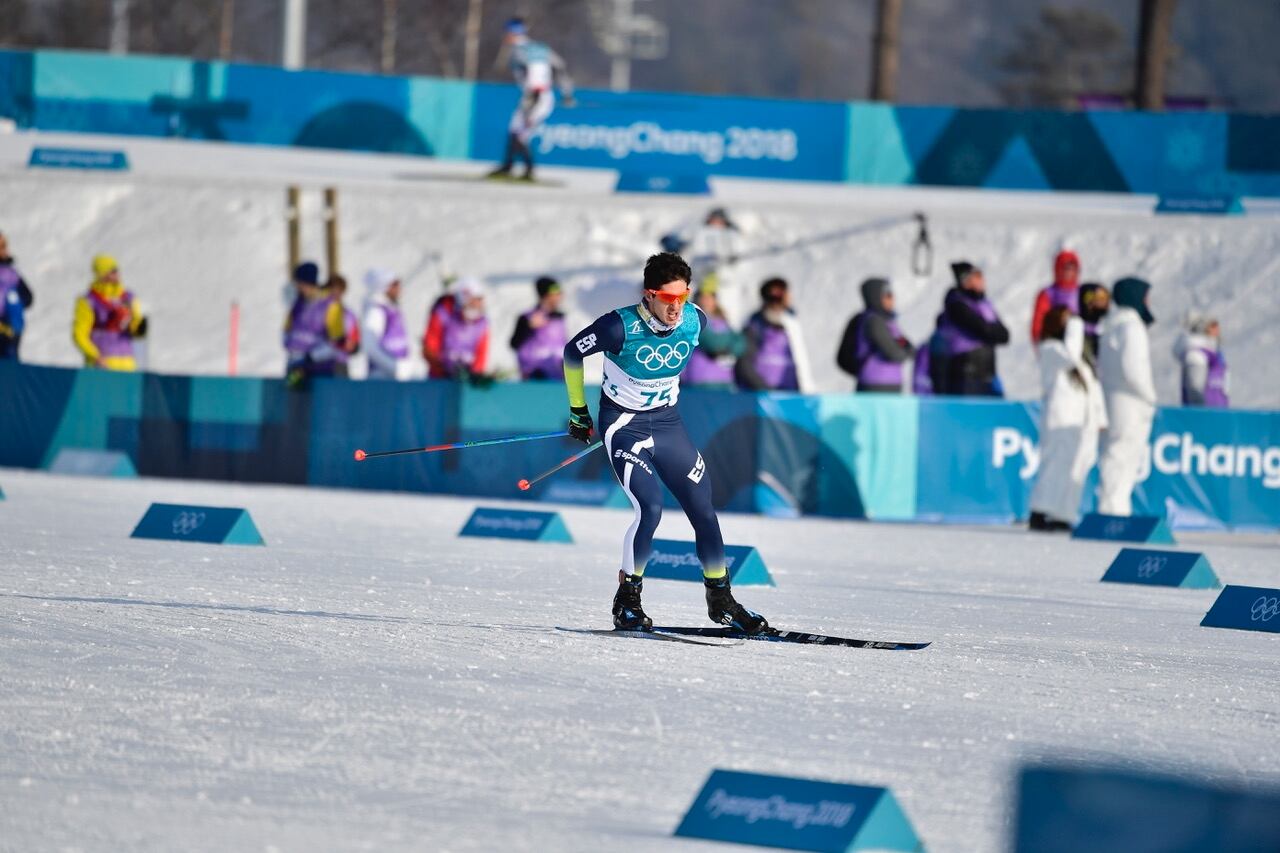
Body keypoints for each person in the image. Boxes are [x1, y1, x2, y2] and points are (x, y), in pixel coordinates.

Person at [562, 252, 768, 634]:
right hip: (624, 426)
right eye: (668, 299)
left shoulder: (695, 319)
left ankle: (721, 600)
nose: (677, 308)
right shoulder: (618, 326)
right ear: (649, 295)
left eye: (683, 297)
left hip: (669, 425)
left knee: (703, 508)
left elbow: (720, 347)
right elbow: (573, 352)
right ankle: (627, 602)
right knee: (651, 507)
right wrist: (579, 410)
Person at [1028, 306, 1108, 531]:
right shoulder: (1050, 349)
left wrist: (1099, 418)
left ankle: (1063, 514)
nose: (1070, 324)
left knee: (1077, 466)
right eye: (1065, 320)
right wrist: (1076, 326)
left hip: (1082, 421)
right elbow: (1070, 355)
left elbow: (1092, 387)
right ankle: (1041, 510)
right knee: (1056, 465)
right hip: (1060, 419)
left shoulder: (1080, 360)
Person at [1097, 277, 1157, 516]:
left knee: (1116, 453)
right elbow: (1133, 368)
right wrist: (1149, 396)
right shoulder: (1132, 327)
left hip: (1114, 398)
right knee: (1123, 455)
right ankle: (1114, 511)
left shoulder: (1111, 326)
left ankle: (1114, 507)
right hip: (1131, 401)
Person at [488, 17, 574, 180]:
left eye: (507, 32)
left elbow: (535, 77)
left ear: (512, 33)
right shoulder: (539, 48)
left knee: (520, 133)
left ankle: (528, 170)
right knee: (514, 130)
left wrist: (534, 99)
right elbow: (559, 66)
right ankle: (509, 166)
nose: (505, 36)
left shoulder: (520, 50)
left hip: (536, 97)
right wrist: (567, 92)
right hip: (536, 95)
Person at [933, 261, 1010, 396]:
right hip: (965, 376)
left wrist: (990, 331)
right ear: (966, 280)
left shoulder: (984, 304)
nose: (982, 280)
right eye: (978, 276)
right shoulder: (956, 304)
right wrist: (990, 330)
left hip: (987, 375)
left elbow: (1004, 335)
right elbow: (982, 329)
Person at [735, 277, 815, 392]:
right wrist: (764, 389)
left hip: (791, 393)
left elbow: (800, 360)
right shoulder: (756, 324)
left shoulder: (791, 323)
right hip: (764, 395)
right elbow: (745, 364)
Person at [836, 277, 915, 393]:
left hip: (891, 385)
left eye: (892, 294)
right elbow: (894, 353)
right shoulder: (873, 321)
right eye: (887, 295)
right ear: (876, 297)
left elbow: (905, 344)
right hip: (874, 386)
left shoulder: (889, 322)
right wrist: (905, 351)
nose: (892, 299)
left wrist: (906, 349)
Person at [72, 254, 147, 371]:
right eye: (113, 270)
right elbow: (79, 334)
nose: (117, 274)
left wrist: (136, 324)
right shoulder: (88, 301)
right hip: (101, 366)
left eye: (116, 270)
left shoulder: (128, 298)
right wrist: (95, 356)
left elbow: (138, 334)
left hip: (128, 365)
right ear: (102, 273)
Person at [283, 261, 345, 386]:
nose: (299, 287)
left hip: (320, 370)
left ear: (311, 283)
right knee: (294, 403)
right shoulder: (297, 304)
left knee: (320, 404)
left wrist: (311, 357)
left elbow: (337, 342)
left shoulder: (330, 305)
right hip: (296, 367)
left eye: (301, 283)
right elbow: (287, 331)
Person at [422, 276, 490, 380]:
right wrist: (442, 369)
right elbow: (429, 347)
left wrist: (476, 374)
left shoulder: (482, 323)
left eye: (480, 300)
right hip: (440, 380)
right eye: (475, 300)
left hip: (467, 381)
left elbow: (481, 354)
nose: (478, 304)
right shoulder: (443, 314)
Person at [682, 278, 743, 390]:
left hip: (725, 379)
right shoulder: (692, 319)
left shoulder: (723, 320)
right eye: (703, 297)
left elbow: (740, 342)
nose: (706, 301)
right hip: (699, 379)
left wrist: (729, 349)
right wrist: (728, 345)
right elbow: (710, 342)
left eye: (709, 297)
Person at [510, 276, 567, 380]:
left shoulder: (559, 318)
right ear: (545, 295)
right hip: (536, 377)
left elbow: (562, 347)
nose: (559, 296)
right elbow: (514, 343)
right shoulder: (527, 317)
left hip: (558, 378)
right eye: (556, 292)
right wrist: (528, 327)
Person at [362, 268, 414, 381]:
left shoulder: (392, 309)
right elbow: (369, 347)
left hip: (395, 378)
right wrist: (394, 367)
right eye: (394, 284)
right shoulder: (376, 311)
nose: (399, 288)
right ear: (383, 287)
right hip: (382, 379)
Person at [1175, 313, 1229, 408]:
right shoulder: (1197, 355)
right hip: (1206, 416)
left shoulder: (1213, 353)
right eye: (1212, 325)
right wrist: (1201, 414)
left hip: (1218, 412)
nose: (1217, 330)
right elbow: (1195, 390)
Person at [1031, 249, 1081, 345]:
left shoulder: (1081, 292)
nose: (1069, 272)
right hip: (1055, 341)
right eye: (1065, 268)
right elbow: (1038, 321)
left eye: (1072, 268)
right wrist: (1038, 341)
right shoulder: (1048, 294)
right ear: (1058, 269)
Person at [0, 231, 33, 360]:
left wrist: (14, 305)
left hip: (11, 329)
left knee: (10, 363)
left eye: (4, 246)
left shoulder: (11, 273)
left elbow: (28, 297)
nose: (5, 250)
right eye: (2, 247)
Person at [328, 274, 361, 379]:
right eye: (332, 289)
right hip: (324, 363)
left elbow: (356, 340)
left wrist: (352, 346)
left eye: (339, 290)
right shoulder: (321, 311)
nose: (335, 293)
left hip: (341, 362)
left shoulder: (349, 314)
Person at [1077, 282, 1110, 371]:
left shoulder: (1109, 320)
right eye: (1098, 298)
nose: (1103, 301)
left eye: (1104, 297)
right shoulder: (1077, 328)